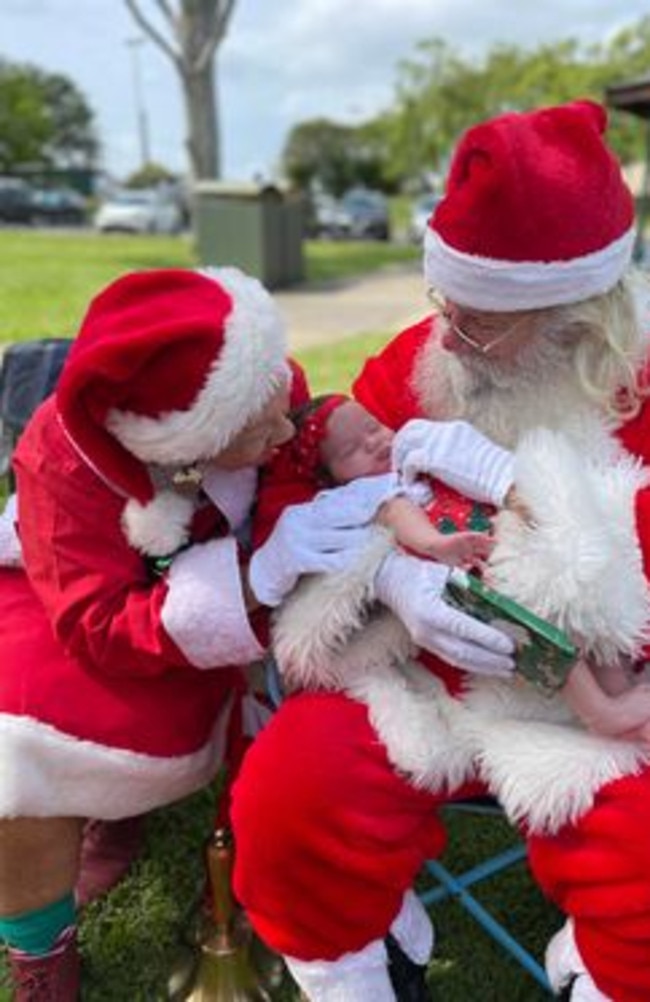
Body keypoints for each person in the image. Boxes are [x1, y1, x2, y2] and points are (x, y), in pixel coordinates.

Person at [231, 99, 650, 1002]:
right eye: (444, 307)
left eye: (483, 322)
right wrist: (396, 573)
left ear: (579, 312)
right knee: (289, 794)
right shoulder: (427, 359)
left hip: (593, 703)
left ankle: (604, 968)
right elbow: (311, 479)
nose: (450, 340)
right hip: (412, 677)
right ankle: (362, 967)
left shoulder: (639, 384)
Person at [0, 265, 383, 1000]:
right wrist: (249, 583)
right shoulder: (60, 465)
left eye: (283, 400)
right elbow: (98, 623)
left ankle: (120, 812)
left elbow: (293, 417)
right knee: (22, 755)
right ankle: (42, 958)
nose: (284, 425)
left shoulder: (249, 382)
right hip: (98, 614)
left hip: (195, 612)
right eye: (260, 426)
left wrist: (329, 422)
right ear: (183, 446)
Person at [254, 392, 495, 571]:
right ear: (331, 479)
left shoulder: (407, 450)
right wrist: (435, 544)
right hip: (442, 556)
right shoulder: (360, 493)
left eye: (373, 427)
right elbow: (395, 510)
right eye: (351, 450)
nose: (372, 442)